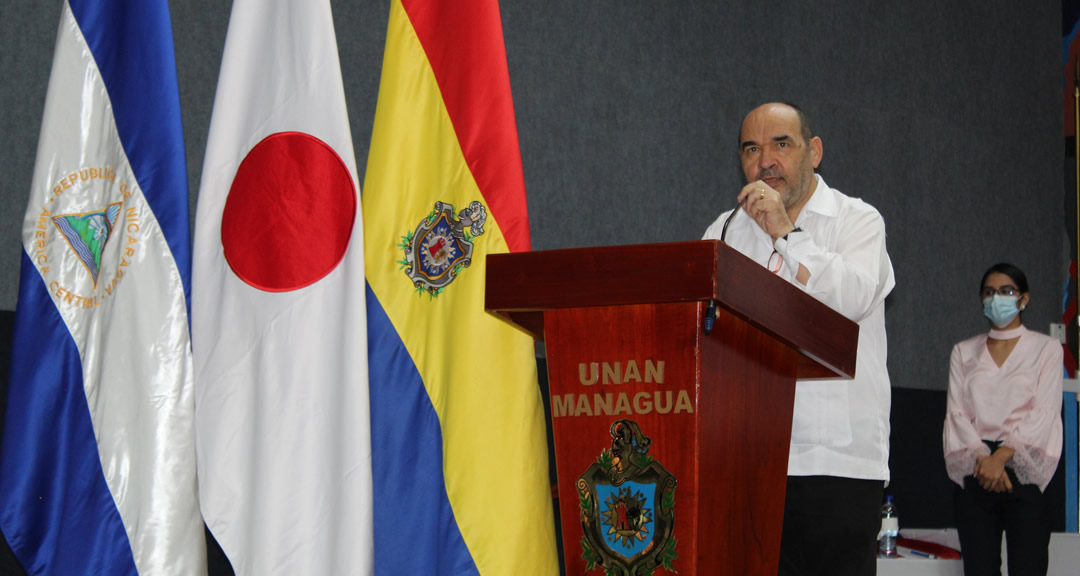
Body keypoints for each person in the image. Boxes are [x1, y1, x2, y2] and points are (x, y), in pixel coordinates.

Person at [702, 102, 895, 576]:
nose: (765, 160)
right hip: (748, 461)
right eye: (752, 148)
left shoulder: (857, 221)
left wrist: (787, 234)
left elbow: (846, 302)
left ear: (815, 152)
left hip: (836, 463)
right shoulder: (724, 231)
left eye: (780, 145)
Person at [943, 263, 1062, 576]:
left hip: (1026, 467)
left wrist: (1004, 457)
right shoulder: (963, 351)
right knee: (980, 569)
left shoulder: (1046, 348)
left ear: (1024, 299)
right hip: (976, 466)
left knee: (1029, 567)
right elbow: (956, 415)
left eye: (1006, 291)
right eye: (989, 292)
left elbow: (1044, 411)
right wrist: (986, 459)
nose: (997, 299)